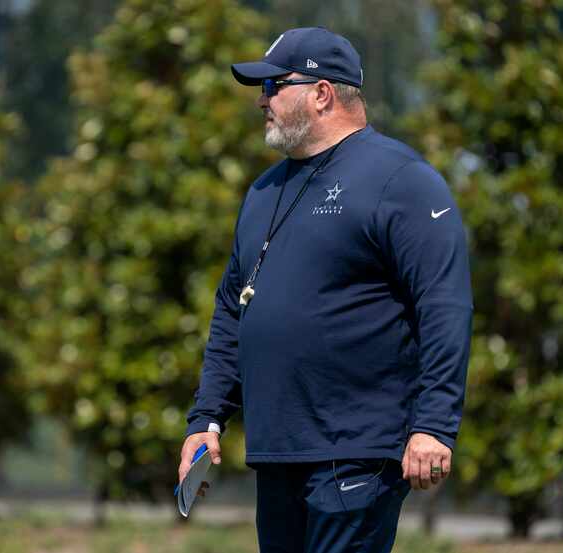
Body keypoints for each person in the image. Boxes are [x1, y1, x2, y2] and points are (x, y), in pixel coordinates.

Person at [178, 27, 473, 553]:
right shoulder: (265, 189)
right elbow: (232, 309)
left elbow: (444, 304)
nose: (262, 101)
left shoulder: (401, 179)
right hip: (277, 451)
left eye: (274, 86)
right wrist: (207, 419)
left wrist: (433, 424)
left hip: (357, 449)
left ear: (322, 93)